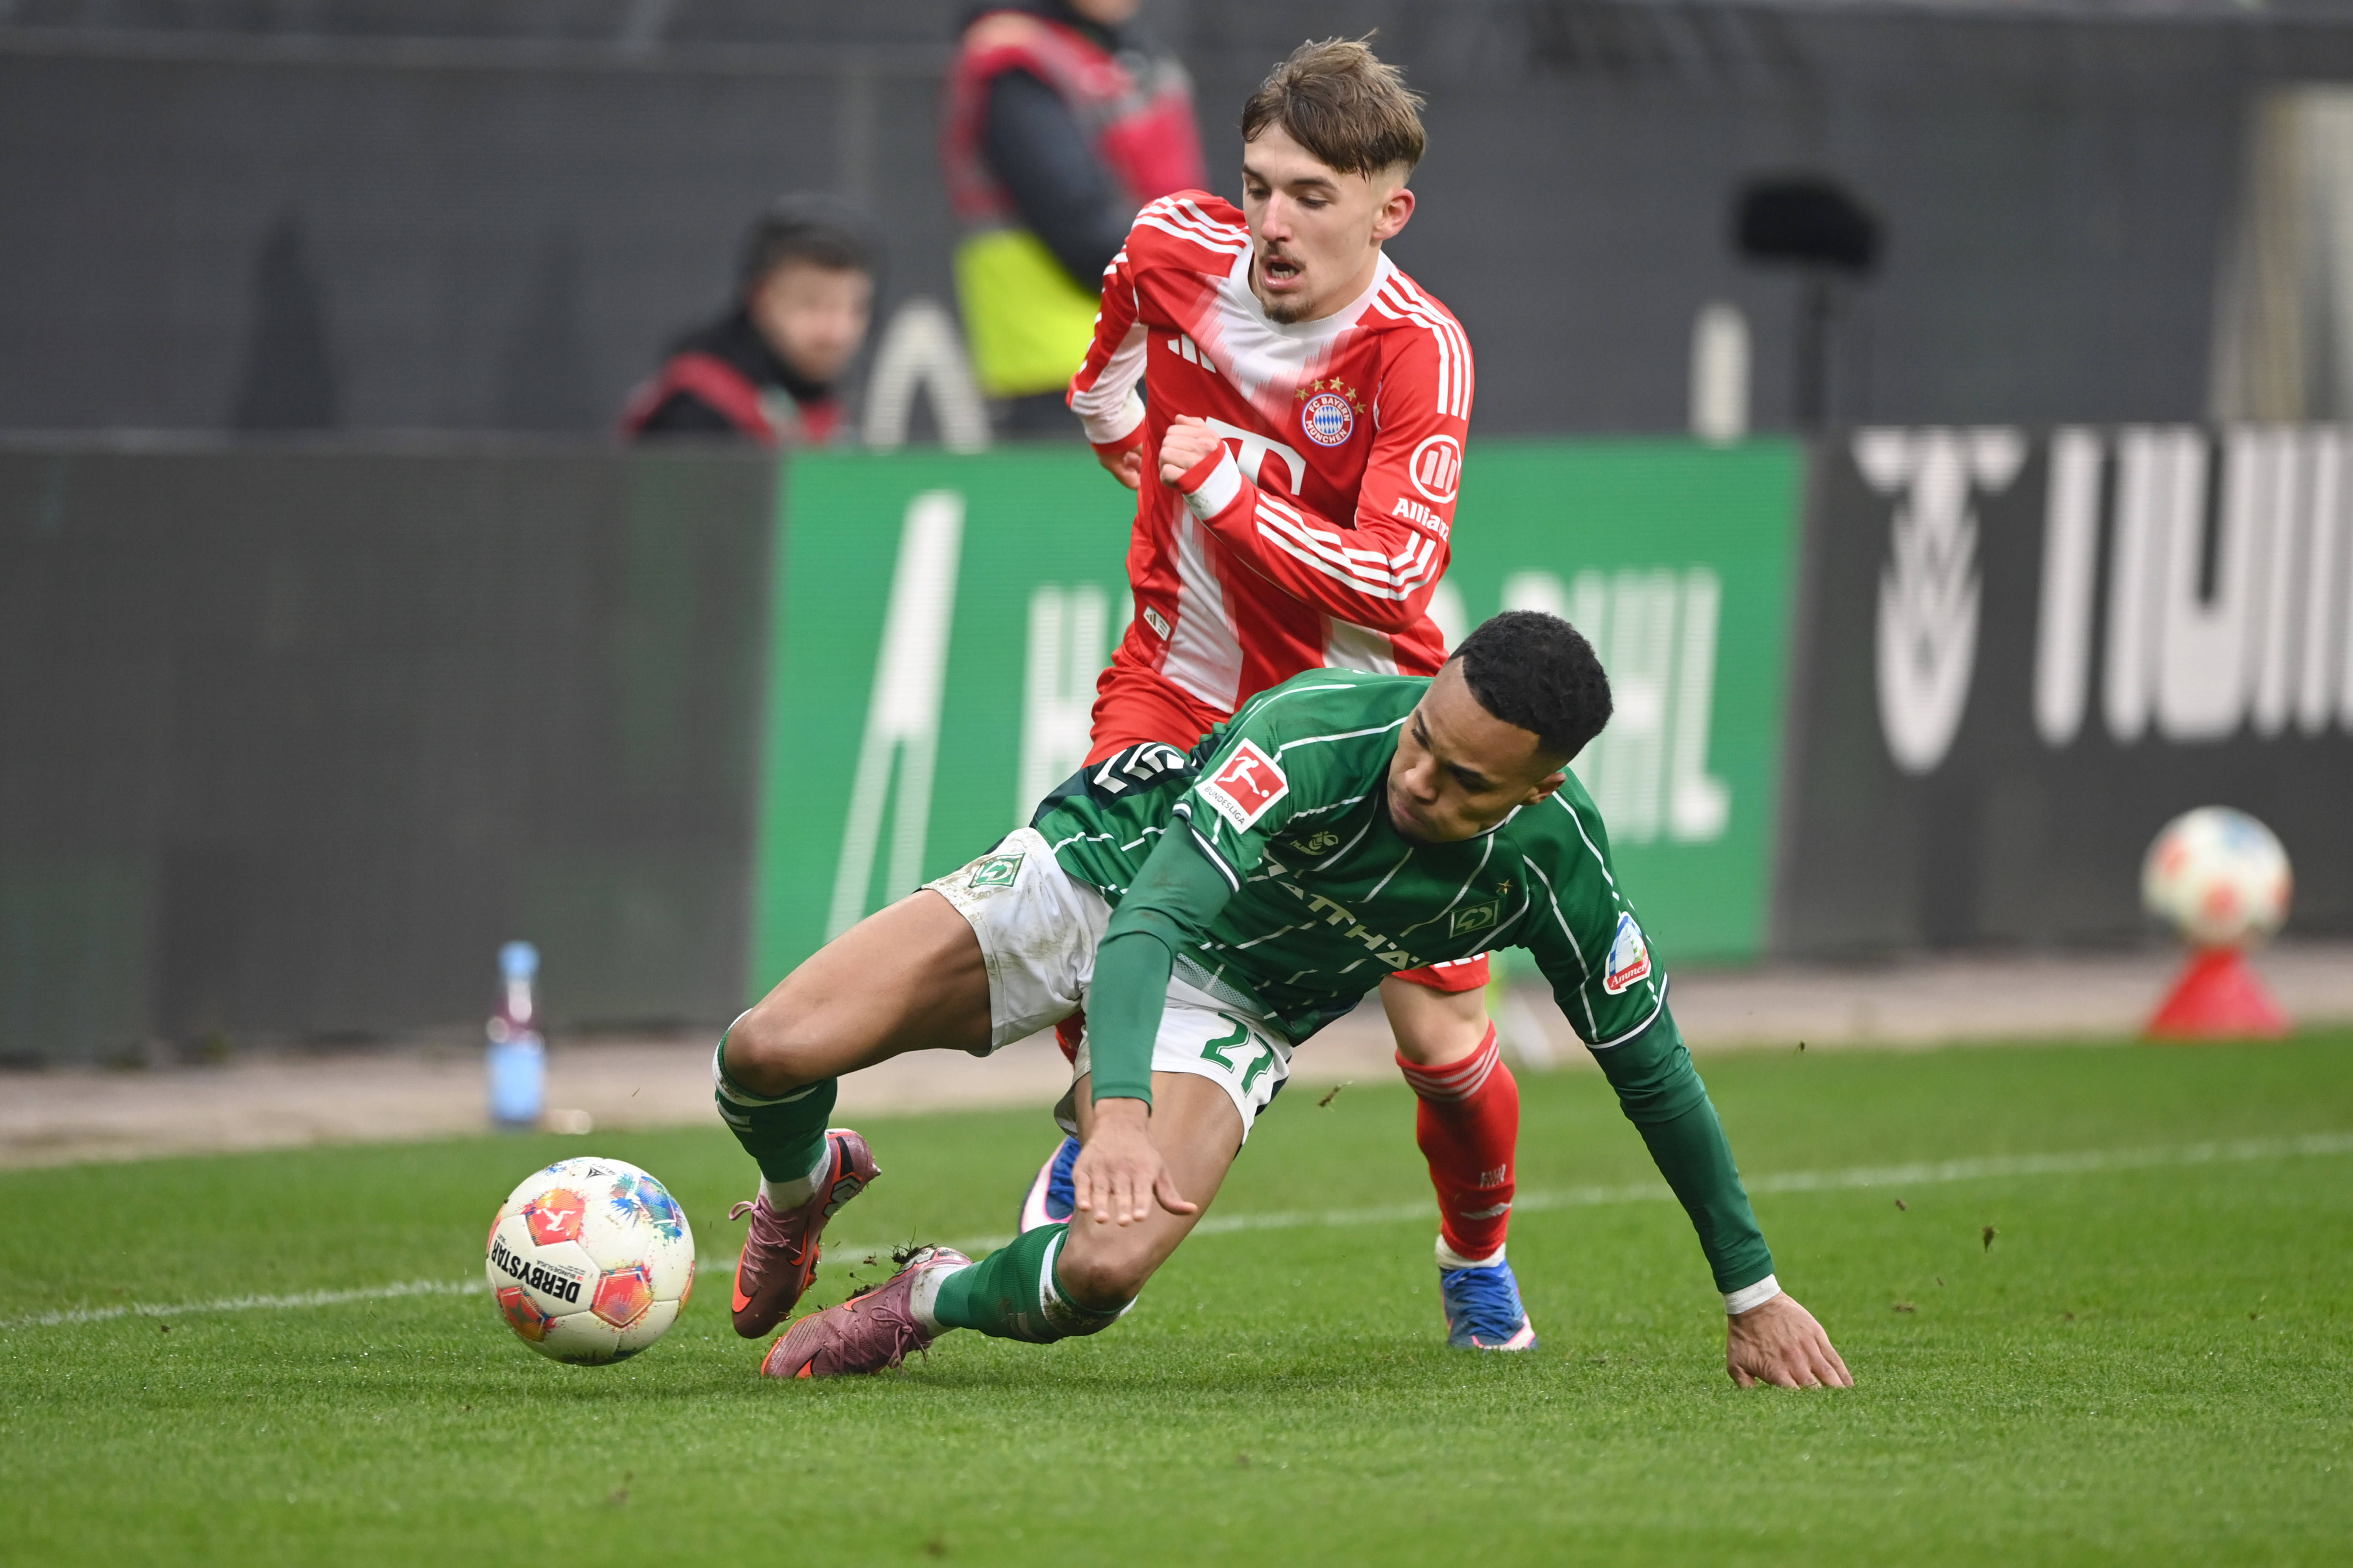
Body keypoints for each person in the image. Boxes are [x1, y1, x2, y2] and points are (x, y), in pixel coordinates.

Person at [711, 612, 1853, 1390]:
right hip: (1105, 877)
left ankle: (926, 1296)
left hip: (1238, 999)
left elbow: (1654, 1074)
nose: (1418, 778)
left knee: (1100, 1276)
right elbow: (1149, 920)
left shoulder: (1557, 871)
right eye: (1422, 738)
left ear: (1538, 787)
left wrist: (1751, 1291)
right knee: (766, 1051)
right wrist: (1116, 1113)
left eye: (1463, 780)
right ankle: (800, 1189)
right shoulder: (1313, 731)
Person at [1002, 37, 1529, 1350]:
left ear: (1388, 210)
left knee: (1446, 1048)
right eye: (1257, 186)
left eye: (1310, 195)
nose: (1272, 222)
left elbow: (1394, 576)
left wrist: (1224, 487)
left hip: (1363, 723)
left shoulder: (1418, 351)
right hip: (1174, 684)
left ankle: (1475, 1253)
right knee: (1093, 907)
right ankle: (1098, 1133)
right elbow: (1100, 380)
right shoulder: (1169, 248)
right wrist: (1142, 466)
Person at [942, 0, 1206, 434]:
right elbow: (1082, 227)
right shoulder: (1015, 60)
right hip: (1063, 374)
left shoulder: (1119, 53)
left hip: (1146, 354)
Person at [619, 195, 878, 446]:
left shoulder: (826, 411)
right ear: (762, 299)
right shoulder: (696, 409)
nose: (837, 333)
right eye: (812, 305)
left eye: (855, 309)